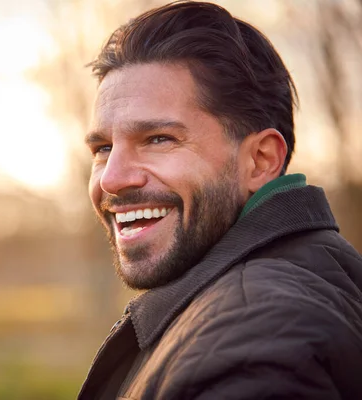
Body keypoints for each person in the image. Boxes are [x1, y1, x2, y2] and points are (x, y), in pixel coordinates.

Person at [78, 1, 362, 399]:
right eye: (103, 148)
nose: (112, 179)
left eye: (158, 139)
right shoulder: (298, 284)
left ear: (261, 161)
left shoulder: (255, 341)